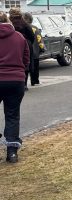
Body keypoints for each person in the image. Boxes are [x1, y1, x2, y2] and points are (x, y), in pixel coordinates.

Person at [0, 11, 29, 163]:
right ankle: (12, 152)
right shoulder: (19, 37)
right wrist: (19, 72)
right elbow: (26, 59)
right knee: (12, 115)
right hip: (15, 79)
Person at [8, 9, 35, 89]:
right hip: (25, 45)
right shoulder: (25, 23)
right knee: (25, 63)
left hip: (12, 45)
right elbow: (32, 36)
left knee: (13, 63)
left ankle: (12, 81)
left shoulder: (9, 23)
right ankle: (24, 84)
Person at [22, 13, 44, 86]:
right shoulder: (34, 28)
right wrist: (42, 48)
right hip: (34, 51)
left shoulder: (21, 27)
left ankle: (24, 83)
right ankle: (34, 81)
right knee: (35, 68)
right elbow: (39, 39)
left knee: (25, 67)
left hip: (24, 52)